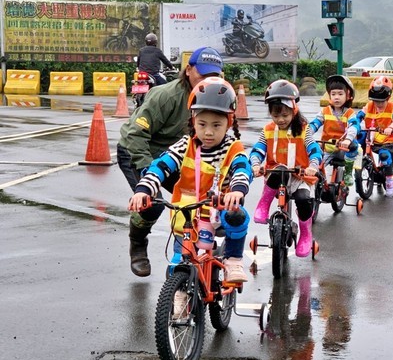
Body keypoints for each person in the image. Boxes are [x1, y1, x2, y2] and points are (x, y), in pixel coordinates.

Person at [128, 77, 252, 283]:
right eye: (202, 124)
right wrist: (143, 190)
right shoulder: (186, 145)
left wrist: (237, 191)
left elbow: (242, 168)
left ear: (229, 123)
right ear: (193, 120)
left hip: (218, 210)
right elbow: (160, 165)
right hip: (186, 214)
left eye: (216, 125)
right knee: (178, 262)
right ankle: (178, 297)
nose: (209, 131)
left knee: (236, 215)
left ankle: (233, 261)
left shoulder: (232, 147)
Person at [117, 46, 224, 277]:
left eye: (214, 75)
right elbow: (135, 136)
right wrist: (148, 174)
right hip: (136, 151)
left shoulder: (217, 98)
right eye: (203, 75)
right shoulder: (166, 96)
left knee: (198, 197)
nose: (208, 80)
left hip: (174, 155)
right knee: (152, 203)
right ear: (188, 71)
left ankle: (191, 249)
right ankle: (137, 244)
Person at [249, 79, 323, 257]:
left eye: (284, 115)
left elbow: (314, 150)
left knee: (304, 201)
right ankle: (263, 205)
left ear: (293, 110)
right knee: (279, 169)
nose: (280, 120)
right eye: (275, 115)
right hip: (276, 177)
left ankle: (305, 234)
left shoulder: (304, 130)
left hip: (301, 176)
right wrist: (256, 164)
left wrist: (313, 166)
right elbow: (257, 150)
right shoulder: (267, 130)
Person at [352, 76, 393, 197]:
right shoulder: (369, 106)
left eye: (381, 101)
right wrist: (355, 125)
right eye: (375, 101)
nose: (378, 104)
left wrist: (391, 128)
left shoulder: (392, 107)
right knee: (358, 141)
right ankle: (358, 168)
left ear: (388, 98)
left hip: (388, 141)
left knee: (384, 155)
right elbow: (359, 116)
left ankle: (390, 180)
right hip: (373, 137)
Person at [307, 75, 359, 186]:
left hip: (343, 148)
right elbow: (315, 123)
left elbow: (354, 126)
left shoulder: (349, 113)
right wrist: (305, 134)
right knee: (316, 164)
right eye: (333, 94)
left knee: (354, 146)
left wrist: (348, 140)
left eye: (340, 94)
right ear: (329, 95)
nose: (336, 97)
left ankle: (348, 173)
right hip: (328, 147)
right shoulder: (325, 111)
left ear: (348, 95)